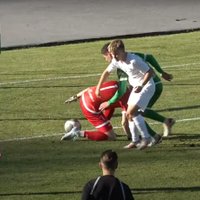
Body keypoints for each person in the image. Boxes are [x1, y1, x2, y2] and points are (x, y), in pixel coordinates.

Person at [100, 42, 175, 139]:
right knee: (136, 113)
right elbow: (149, 57)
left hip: (150, 86)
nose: (106, 60)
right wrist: (161, 72)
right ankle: (160, 127)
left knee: (137, 113)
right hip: (153, 84)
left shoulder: (126, 62)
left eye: (105, 57)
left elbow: (122, 90)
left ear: (111, 53)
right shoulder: (127, 56)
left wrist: (109, 102)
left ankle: (151, 137)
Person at [95, 39, 157, 149]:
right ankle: (135, 141)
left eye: (116, 55)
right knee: (129, 115)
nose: (114, 58)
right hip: (136, 88)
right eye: (113, 55)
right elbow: (106, 72)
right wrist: (98, 88)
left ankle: (146, 138)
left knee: (133, 112)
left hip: (146, 86)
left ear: (122, 51)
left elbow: (150, 72)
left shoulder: (134, 60)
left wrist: (142, 85)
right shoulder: (116, 60)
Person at [61, 80, 131, 141]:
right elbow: (124, 123)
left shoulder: (117, 84)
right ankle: (78, 133)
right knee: (111, 137)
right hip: (90, 108)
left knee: (110, 106)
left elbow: (89, 89)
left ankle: (106, 128)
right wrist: (130, 136)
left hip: (84, 97)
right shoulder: (127, 98)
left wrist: (75, 96)